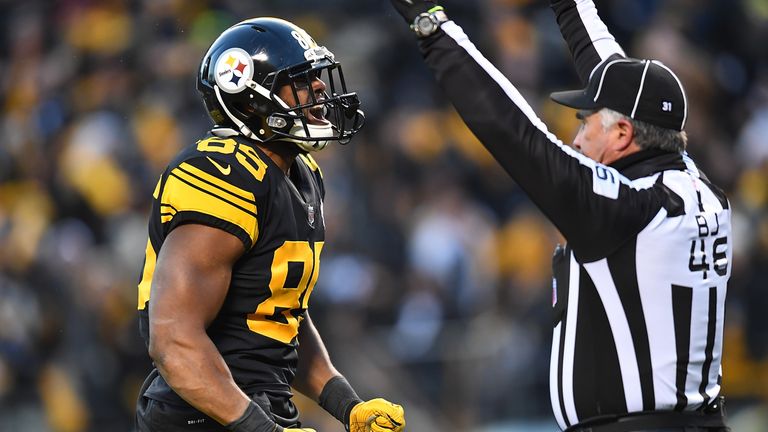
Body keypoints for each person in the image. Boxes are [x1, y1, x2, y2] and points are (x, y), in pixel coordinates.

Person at [390, 1, 731, 431]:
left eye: (585, 123)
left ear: (623, 134)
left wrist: (431, 25)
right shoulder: (692, 184)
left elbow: (514, 132)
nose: (574, 138)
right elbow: (612, 73)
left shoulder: (628, 209)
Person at [135, 17, 406, 432]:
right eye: (300, 79)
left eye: (317, 77)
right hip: (201, 414)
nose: (318, 88)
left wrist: (347, 407)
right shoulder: (222, 173)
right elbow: (172, 340)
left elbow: (281, 316)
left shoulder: (301, 172)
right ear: (250, 98)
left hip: (257, 406)